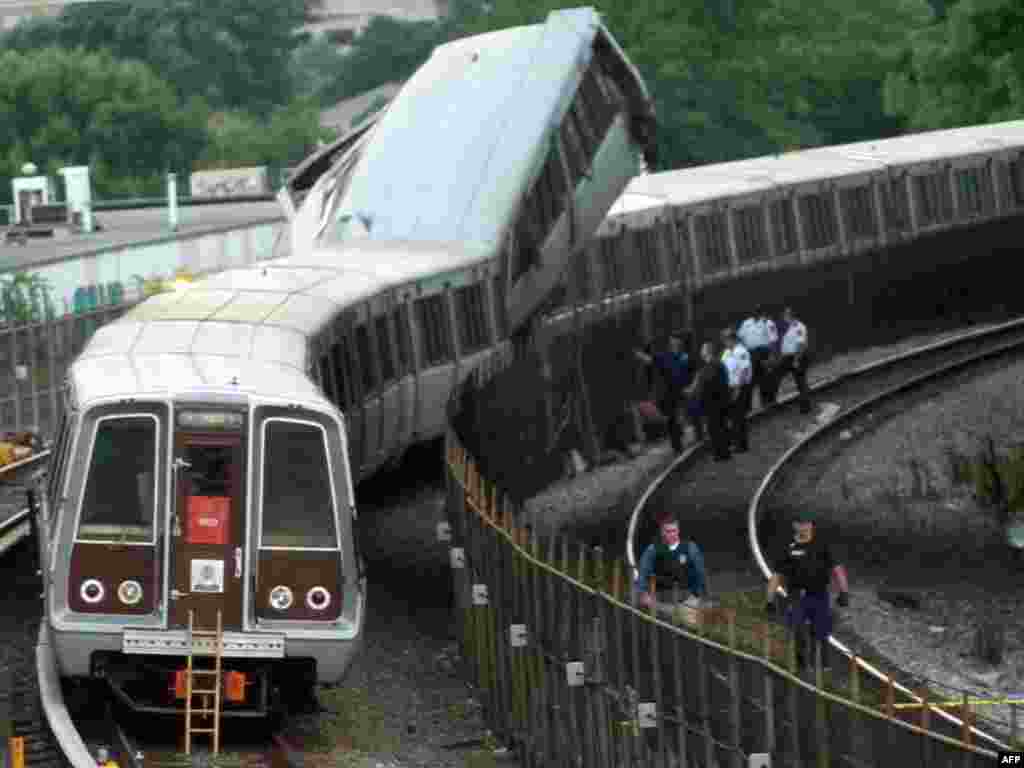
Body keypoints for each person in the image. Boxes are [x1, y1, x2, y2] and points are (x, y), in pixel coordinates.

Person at [765, 513, 850, 672]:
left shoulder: (822, 544)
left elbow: (837, 569)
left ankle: (824, 665)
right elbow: (776, 575)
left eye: (807, 523)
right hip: (796, 595)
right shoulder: (788, 548)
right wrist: (769, 599)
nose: (804, 527)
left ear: (811, 525)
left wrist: (843, 591)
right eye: (800, 524)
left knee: (821, 630)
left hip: (819, 594)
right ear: (794, 526)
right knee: (797, 627)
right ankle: (802, 665)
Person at [634, 332, 693, 455]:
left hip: (683, 391)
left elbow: (691, 372)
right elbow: (650, 360)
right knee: (672, 420)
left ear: (681, 343)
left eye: (677, 341)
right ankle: (678, 447)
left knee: (681, 417)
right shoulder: (665, 356)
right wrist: (639, 354)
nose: (674, 344)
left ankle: (689, 438)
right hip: (669, 394)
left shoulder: (686, 356)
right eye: (672, 341)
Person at [634, 513, 707, 609]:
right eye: (668, 531)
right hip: (661, 601)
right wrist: (643, 594)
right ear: (662, 532)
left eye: (674, 531)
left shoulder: (690, 548)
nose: (671, 534)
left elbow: (700, 571)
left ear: (678, 531)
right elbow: (643, 572)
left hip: (687, 601)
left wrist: (698, 595)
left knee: (685, 623)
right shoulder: (653, 549)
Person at [687, 341, 731, 461]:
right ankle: (723, 452)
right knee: (719, 427)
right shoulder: (716, 364)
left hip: (714, 403)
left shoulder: (712, 366)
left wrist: (696, 387)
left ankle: (720, 453)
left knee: (715, 428)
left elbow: (708, 384)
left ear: (708, 351)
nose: (701, 352)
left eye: (702, 350)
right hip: (719, 401)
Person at [738, 309, 779, 408]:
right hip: (751, 354)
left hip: (764, 352)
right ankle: (747, 406)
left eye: (758, 312)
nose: (756, 314)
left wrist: (772, 356)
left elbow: (773, 340)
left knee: (766, 379)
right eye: (754, 312)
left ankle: (768, 402)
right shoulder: (746, 323)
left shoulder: (768, 323)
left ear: (761, 313)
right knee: (750, 381)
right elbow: (740, 337)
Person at [720, 328, 752, 453]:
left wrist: (738, 389)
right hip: (729, 387)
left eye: (726, 339)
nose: (724, 342)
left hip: (740, 387)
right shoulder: (727, 352)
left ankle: (741, 445)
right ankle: (734, 442)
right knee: (731, 417)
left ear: (732, 339)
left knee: (738, 417)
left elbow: (744, 370)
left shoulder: (741, 351)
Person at [777, 307, 812, 414]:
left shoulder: (799, 327)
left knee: (800, 382)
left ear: (790, 316)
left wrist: (796, 360)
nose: (783, 318)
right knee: (776, 375)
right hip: (787, 357)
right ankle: (771, 401)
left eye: (785, 316)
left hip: (798, 356)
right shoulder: (788, 327)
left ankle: (805, 407)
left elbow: (801, 345)